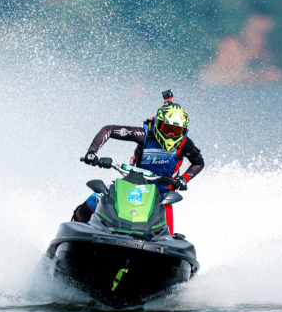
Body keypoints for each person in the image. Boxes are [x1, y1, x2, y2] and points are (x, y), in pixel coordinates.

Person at [72, 90, 203, 236]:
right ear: (159, 124)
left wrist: (184, 179)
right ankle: (70, 236)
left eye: (176, 131)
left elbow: (198, 163)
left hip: (161, 196)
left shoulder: (185, 144)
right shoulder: (145, 135)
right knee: (93, 200)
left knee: (167, 236)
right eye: (167, 129)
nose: (171, 135)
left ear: (184, 131)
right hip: (132, 186)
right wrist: (92, 152)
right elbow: (109, 130)